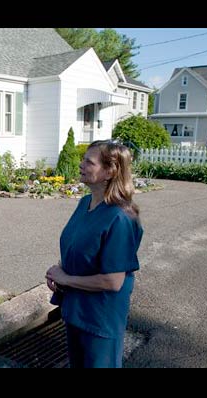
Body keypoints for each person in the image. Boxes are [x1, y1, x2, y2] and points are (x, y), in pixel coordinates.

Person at [45, 140, 143, 368]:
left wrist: (66, 278)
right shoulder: (85, 203)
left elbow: (113, 280)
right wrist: (59, 270)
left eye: (89, 162)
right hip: (75, 309)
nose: (81, 164)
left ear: (110, 171)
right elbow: (79, 244)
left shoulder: (121, 217)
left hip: (100, 319)